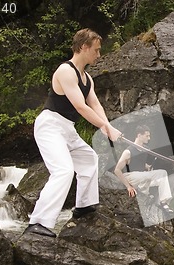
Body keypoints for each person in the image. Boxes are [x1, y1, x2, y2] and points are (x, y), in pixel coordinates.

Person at [23, 28, 122, 238]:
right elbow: (80, 107)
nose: (98, 54)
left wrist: (107, 125)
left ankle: (83, 206)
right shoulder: (65, 71)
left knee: (89, 159)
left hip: (67, 128)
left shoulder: (87, 78)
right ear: (84, 47)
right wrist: (105, 128)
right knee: (64, 170)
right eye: (96, 50)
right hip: (49, 126)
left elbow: (94, 104)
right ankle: (37, 222)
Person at [113, 125, 174, 214]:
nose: (149, 138)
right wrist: (128, 186)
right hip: (130, 177)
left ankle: (164, 202)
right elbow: (117, 170)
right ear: (139, 135)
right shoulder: (128, 152)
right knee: (158, 173)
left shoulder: (145, 150)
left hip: (141, 177)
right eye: (147, 136)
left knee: (162, 176)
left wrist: (147, 167)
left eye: (149, 136)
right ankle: (145, 192)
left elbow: (139, 162)